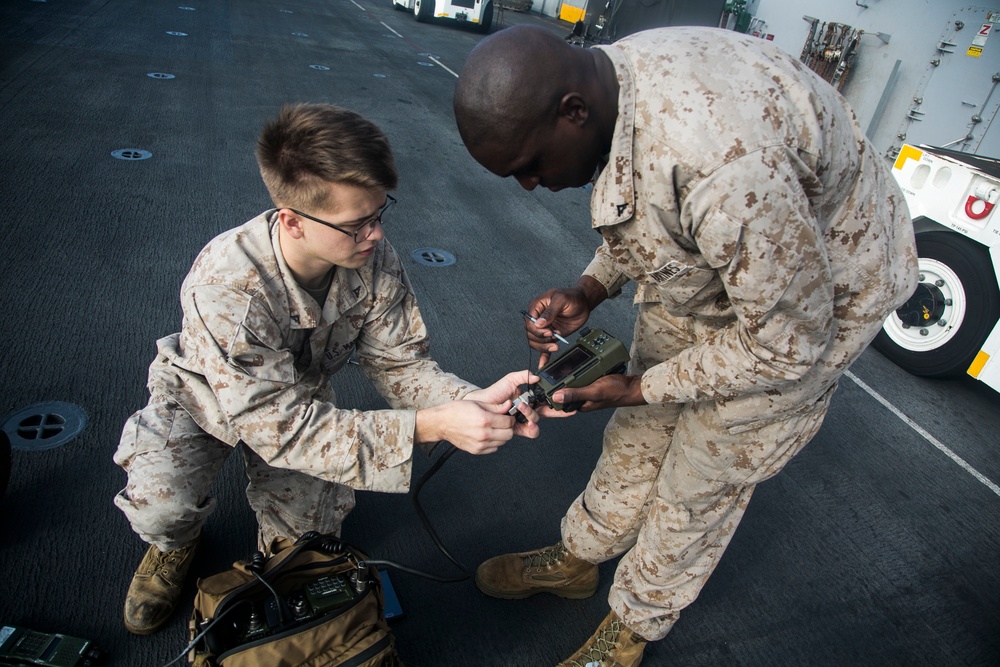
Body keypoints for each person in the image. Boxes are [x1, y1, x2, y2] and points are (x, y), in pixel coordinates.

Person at [453, 25, 918, 666]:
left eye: (530, 166)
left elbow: (785, 342)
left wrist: (639, 385)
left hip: (812, 303)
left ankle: (632, 626)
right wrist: (591, 287)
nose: (529, 184)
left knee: (701, 474)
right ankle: (581, 556)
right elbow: (651, 207)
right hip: (731, 264)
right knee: (638, 432)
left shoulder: (722, 168)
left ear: (573, 111)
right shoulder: (616, 82)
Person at [114, 103, 544, 636]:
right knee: (160, 506)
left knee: (305, 548)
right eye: (356, 224)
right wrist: (432, 426)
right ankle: (174, 545)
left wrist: (471, 401)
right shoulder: (227, 287)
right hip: (202, 399)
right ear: (292, 220)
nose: (376, 235)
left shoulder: (369, 258)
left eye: (379, 214)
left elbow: (400, 364)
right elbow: (281, 430)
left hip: (300, 400)